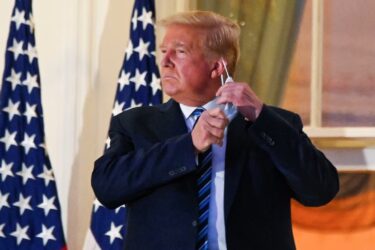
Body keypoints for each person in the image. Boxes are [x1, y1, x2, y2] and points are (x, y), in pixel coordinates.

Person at [91, 10, 339, 250]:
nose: (164, 62)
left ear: (217, 67)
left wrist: (262, 118)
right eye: (163, 51)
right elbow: (107, 188)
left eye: (179, 52)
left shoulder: (274, 125)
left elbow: (320, 190)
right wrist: (188, 146)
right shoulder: (135, 124)